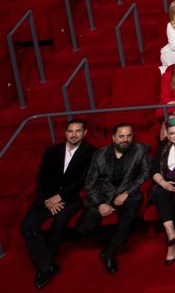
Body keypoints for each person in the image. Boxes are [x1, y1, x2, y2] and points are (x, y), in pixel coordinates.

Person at [22, 119, 96, 289]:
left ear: (84, 133)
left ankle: (44, 268)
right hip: (46, 198)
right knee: (27, 226)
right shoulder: (52, 151)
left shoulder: (91, 152)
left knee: (59, 222)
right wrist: (49, 199)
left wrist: (60, 197)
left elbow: (83, 181)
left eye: (78, 131)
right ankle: (46, 265)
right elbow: (41, 177)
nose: (74, 134)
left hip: (71, 198)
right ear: (65, 133)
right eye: (70, 131)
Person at [78, 123, 151, 274]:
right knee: (83, 229)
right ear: (113, 138)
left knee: (129, 216)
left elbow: (145, 174)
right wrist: (100, 204)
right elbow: (89, 183)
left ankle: (108, 253)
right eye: (121, 136)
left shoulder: (141, 150)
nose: (125, 139)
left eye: (129, 136)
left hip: (128, 195)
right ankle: (117, 239)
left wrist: (127, 193)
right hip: (104, 195)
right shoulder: (99, 154)